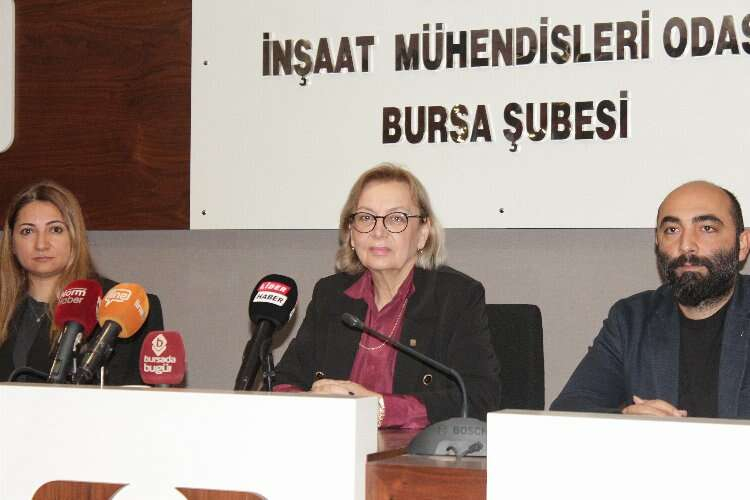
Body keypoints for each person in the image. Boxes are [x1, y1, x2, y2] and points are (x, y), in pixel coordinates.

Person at [273, 163, 501, 429]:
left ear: (423, 234)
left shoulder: (456, 297)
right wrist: (312, 403)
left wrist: (380, 409)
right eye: (366, 218)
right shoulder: (331, 296)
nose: (378, 232)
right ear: (351, 235)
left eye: (396, 219)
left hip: (414, 453)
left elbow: (479, 398)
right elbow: (283, 382)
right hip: (332, 445)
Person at [551, 180, 750, 418]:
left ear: (742, 244)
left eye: (706, 228)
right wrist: (625, 419)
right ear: (657, 242)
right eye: (672, 230)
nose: (686, 245)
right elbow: (569, 409)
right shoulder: (631, 320)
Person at [0, 181, 163, 384]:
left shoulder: (123, 310)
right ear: (11, 243)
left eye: (56, 229)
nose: (41, 244)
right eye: (27, 231)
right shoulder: (7, 308)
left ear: (75, 237)